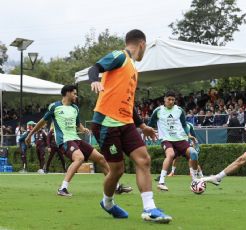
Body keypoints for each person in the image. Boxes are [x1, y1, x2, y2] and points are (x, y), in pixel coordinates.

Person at [88, 29, 171, 222]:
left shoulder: (133, 69)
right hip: (106, 123)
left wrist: (142, 126)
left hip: (126, 123)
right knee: (117, 170)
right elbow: (95, 68)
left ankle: (150, 209)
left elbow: (128, 102)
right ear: (142, 44)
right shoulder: (119, 56)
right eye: (145, 48)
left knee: (144, 160)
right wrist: (94, 80)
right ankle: (107, 202)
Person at [26, 85, 110, 197]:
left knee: (101, 158)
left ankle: (116, 186)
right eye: (74, 93)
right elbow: (42, 122)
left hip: (76, 139)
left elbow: (77, 123)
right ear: (67, 93)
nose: (76, 95)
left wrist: (83, 129)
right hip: (64, 140)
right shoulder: (54, 107)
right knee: (79, 158)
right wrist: (30, 135)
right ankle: (63, 188)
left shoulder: (75, 108)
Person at [148, 91, 199, 191]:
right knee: (170, 155)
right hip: (166, 139)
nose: (171, 102)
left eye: (173, 100)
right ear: (164, 99)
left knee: (194, 153)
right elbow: (150, 124)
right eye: (169, 99)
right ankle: (161, 182)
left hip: (180, 139)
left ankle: (195, 179)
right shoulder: (158, 110)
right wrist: (150, 132)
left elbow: (184, 125)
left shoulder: (179, 110)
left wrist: (188, 135)